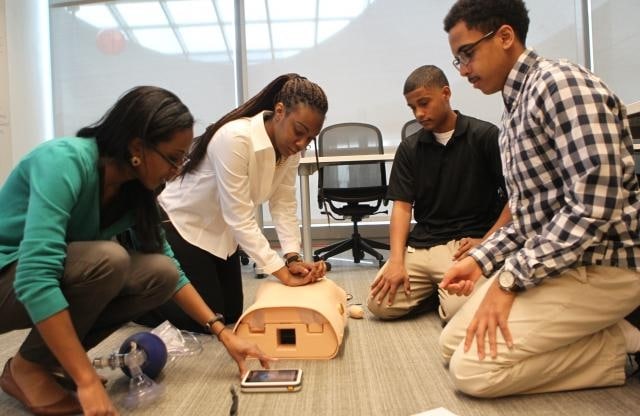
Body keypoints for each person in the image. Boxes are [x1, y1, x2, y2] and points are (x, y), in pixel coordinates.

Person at [0, 86, 270, 416]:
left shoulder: (134, 190)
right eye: (173, 158)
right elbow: (35, 276)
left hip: (31, 280)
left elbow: (170, 269)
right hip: (8, 276)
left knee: (159, 273)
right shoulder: (63, 161)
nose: (177, 170)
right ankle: (27, 368)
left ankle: (48, 361)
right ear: (137, 148)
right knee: (108, 260)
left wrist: (223, 333)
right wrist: (86, 378)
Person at [439, 0, 640, 398]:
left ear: (505, 36)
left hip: (606, 265)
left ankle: (626, 348)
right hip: (564, 262)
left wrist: (510, 280)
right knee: (450, 345)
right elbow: (530, 220)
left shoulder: (559, 84)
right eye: (457, 60)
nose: (462, 70)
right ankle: (600, 328)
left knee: (471, 371)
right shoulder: (513, 111)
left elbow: (595, 204)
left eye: (467, 54)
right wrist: (479, 262)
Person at [136, 74, 329, 333]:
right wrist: (282, 272)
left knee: (232, 313)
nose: (301, 143)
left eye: (310, 139)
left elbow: (283, 204)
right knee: (206, 320)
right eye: (299, 131)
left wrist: (292, 257)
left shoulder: (290, 150)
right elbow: (239, 216)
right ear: (280, 111)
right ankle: (135, 295)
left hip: (220, 233)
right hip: (181, 224)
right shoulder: (235, 138)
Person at [367, 65, 510, 323]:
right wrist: (396, 261)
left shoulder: (485, 136)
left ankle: (443, 293)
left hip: (463, 246)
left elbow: (516, 198)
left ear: (446, 93)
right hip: (423, 245)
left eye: (424, 103)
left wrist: (486, 242)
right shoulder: (410, 148)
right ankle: (435, 293)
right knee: (379, 305)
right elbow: (402, 208)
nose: (419, 114)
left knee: (458, 312)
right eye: (412, 108)